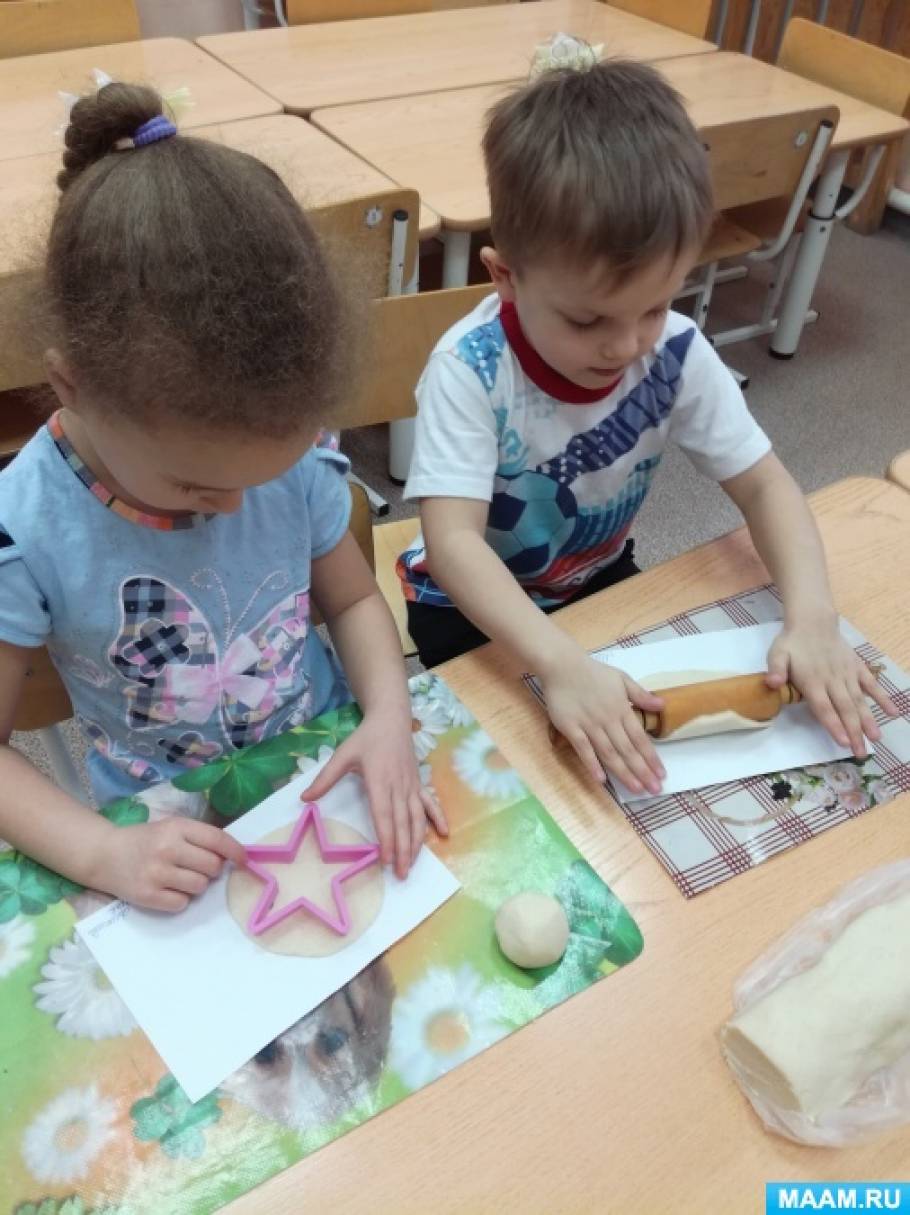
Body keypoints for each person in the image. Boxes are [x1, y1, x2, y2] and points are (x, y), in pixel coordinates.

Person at [398, 57, 897, 797]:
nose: (626, 345)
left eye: (656, 306)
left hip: (598, 577)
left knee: (650, 773)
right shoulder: (469, 371)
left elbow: (766, 487)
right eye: (587, 320)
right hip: (467, 612)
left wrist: (814, 618)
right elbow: (454, 546)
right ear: (505, 277)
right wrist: (559, 665)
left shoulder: (673, 351)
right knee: (523, 787)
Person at [0, 82, 446, 911]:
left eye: (260, 476)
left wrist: (388, 713)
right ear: (72, 385)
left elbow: (353, 602)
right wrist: (102, 850)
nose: (235, 508)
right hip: (163, 832)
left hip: (328, 764)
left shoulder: (278, 451)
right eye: (196, 486)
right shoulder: (25, 529)